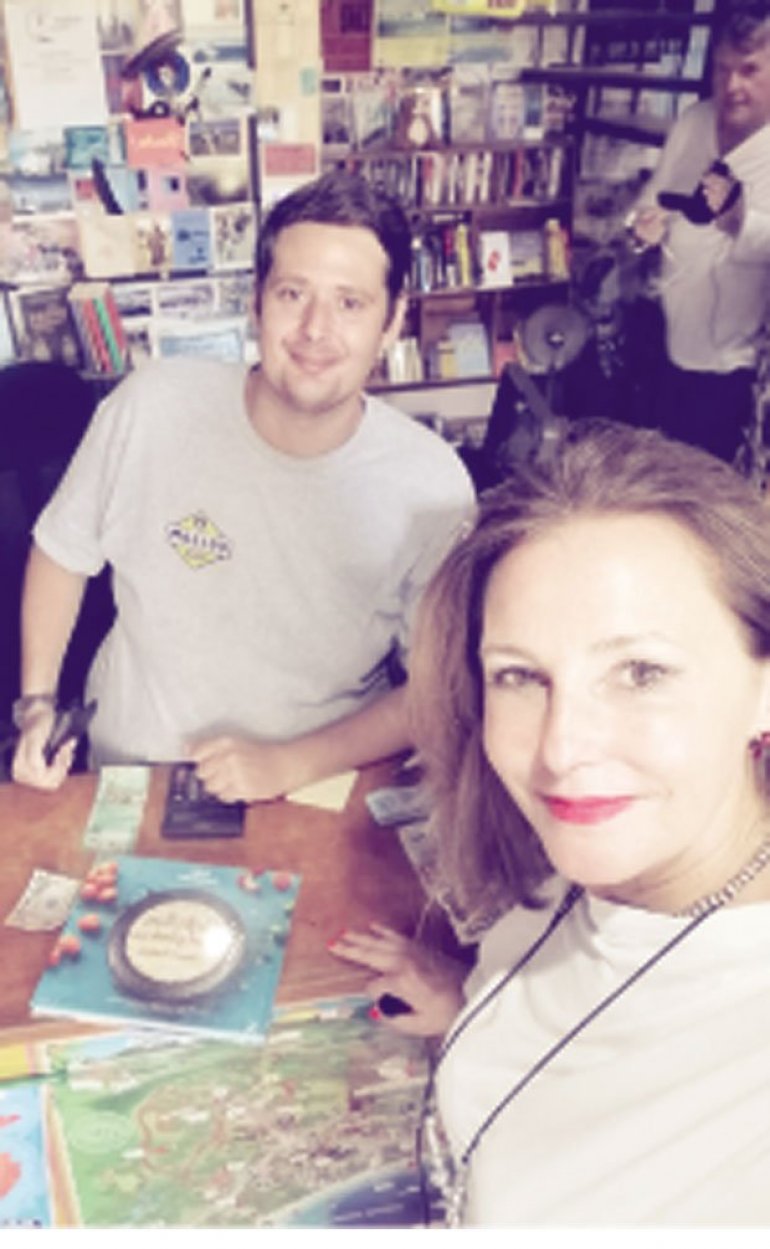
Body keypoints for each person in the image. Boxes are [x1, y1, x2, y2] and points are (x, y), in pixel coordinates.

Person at [331, 420, 770, 1226]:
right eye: (521, 675)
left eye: (641, 671)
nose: (561, 749)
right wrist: (476, 1005)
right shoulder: (579, 866)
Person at [11, 171, 474, 800]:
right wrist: (37, 703)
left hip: (315, 788)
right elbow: (62, 552)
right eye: (292, 293)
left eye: (350, 303)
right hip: (131, 769)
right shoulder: (151, 405)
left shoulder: (433, 485)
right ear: (256, 303)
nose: (315, 329)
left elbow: (439, 691)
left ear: (392, 322)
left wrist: (290, 764)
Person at [627, 1, 770, 464]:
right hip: (667, 345)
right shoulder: (694, 121)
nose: (732, 86)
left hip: (735, 371)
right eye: (723, 69)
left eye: (749, 70)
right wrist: (642, 229)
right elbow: (651, 200)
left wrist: (739, 223)